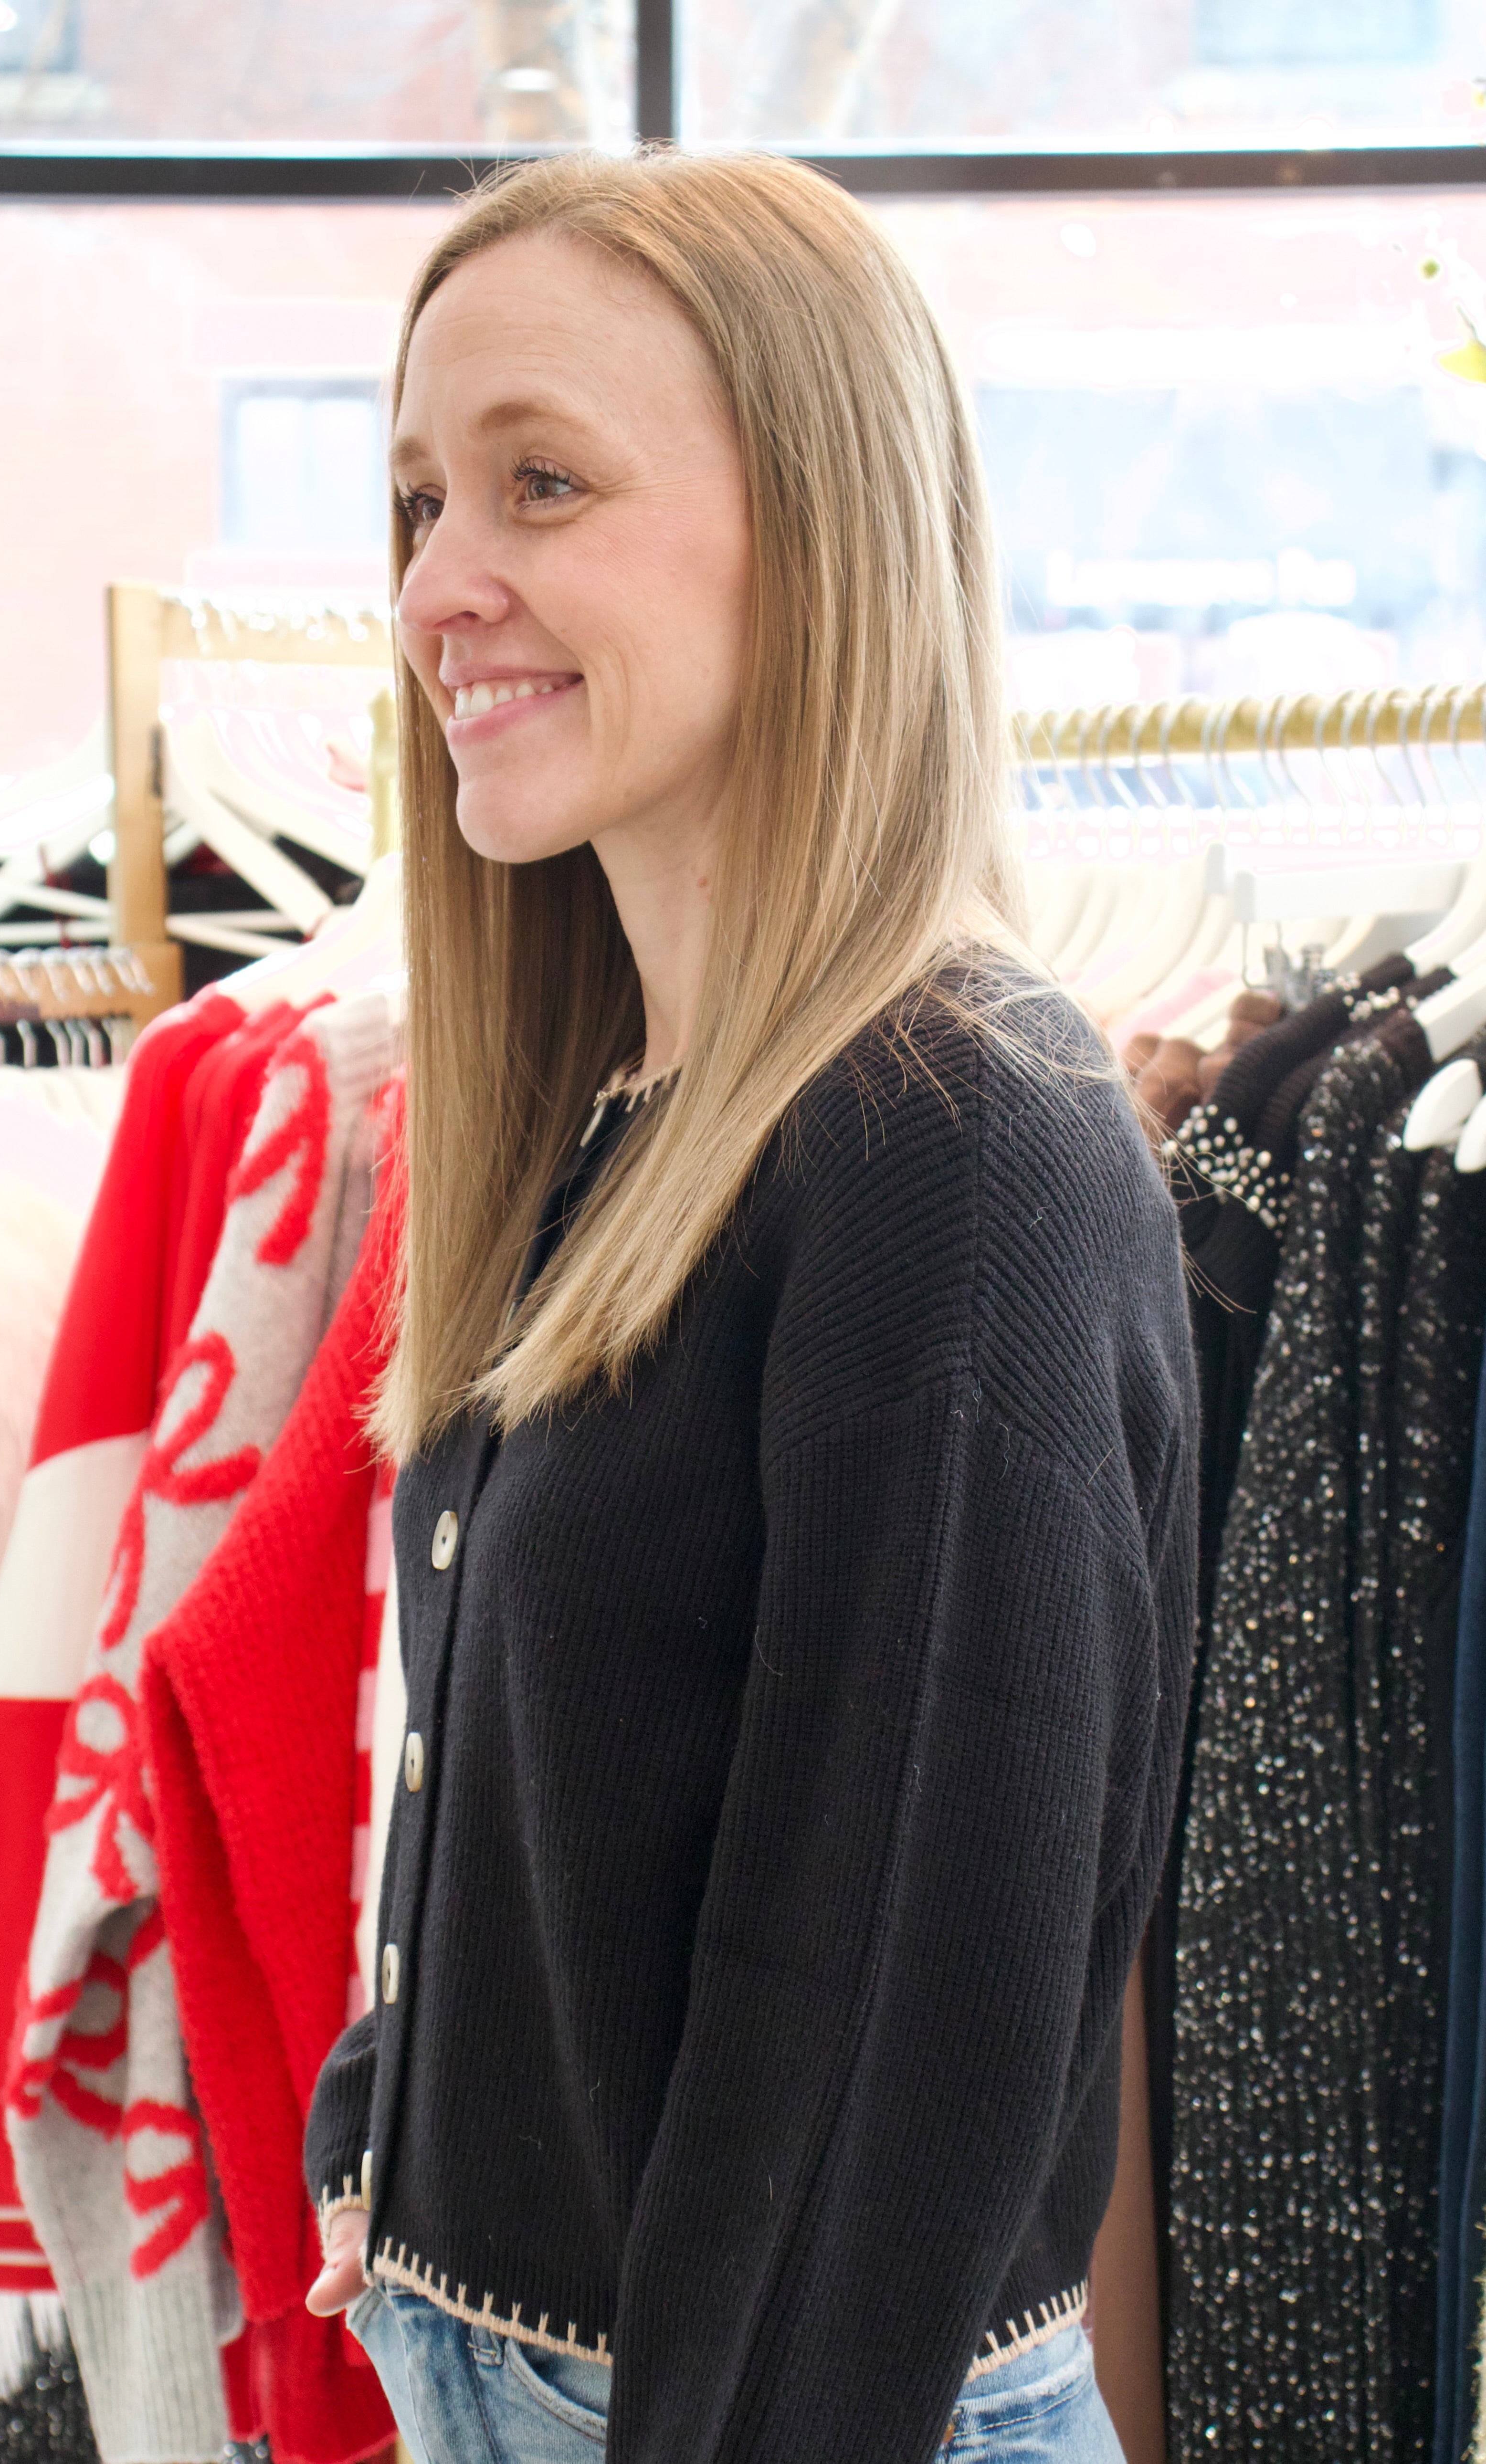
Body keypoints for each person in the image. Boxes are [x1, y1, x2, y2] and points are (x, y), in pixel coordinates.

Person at [303, 147, 1196, 2464]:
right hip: (521, 2379)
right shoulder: (615, 1107)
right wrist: (385, 2131)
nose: (435, 586)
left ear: (819, 530)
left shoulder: (953, 1145)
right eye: (418, 499)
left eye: (541, 482)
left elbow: (894, 2008)